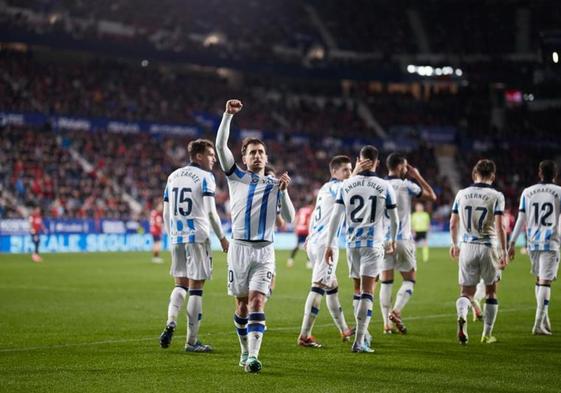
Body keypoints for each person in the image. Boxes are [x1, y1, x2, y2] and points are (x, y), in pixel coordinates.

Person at [216, 99, 295, 373]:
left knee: (257, 301)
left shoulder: (276, 185)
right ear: (244, 157)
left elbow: (292, 218)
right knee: (241, 305)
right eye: (252, 152)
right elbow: (220, 148)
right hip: (238, 249)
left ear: (266, 157)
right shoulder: (235, 176)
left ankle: (253, 356)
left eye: (261, 152)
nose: (258, 156)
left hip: (264, 252)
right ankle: (243, 350)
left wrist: (284, 192)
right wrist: (227, 116)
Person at [324, 145, 399, 353]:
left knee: (357, 291)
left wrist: (330, 243)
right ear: (377, 162)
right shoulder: (384, 186)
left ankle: (364, 335)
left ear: (359, 159)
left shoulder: (346, 185)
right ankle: (359, 341)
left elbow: (335, 218)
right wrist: (392, 239)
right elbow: (395, 219)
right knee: (368, 292)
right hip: (373, 245)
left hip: (351, 245)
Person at [159, 139, 229, 352]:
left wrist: (173, 236)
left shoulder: (173, 177)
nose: (214, 158)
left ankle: (171, 321)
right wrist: (223, 238)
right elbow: (210, 212)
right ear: (198, 156)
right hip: (198, 236)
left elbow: (165, 212)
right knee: (196, 289)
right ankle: (191, 342)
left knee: (180, 284)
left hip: (177, 237)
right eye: (210, 154)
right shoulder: (206, 177)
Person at [297, 155, 356, 348]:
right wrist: (359, 174)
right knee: (319, 286)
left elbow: (317, 213)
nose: (349, 173)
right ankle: (305, 335)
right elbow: (352, 188)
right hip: (326, 244)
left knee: (332, 286)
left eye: (350, 169)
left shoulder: (324, 188)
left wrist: (310, 235)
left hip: (315, 242)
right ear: (334, 172)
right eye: (345, 170)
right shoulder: (338, 187)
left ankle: (344, 329)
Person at [449, 159, 508, 345]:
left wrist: (454, 244)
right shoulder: (496, 195)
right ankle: (487, 334)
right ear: (493, 175)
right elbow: (500, 227)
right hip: (488, 246)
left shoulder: (461, 194)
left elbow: (452, 223)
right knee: (491, 292)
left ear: (475, 173)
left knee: (466, 292)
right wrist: (504, 251)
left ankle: (462, 317)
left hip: (467, 246)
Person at [379, 153, 437, 335]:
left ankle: (386, 325)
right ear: (399, 167)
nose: (406, 170)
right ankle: (396, 311)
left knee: (386, 283)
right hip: (402, 239)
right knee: (409, 280)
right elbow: (432, 196)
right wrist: (417, 175)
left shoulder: (379, 185)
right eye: (405, 167)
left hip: (383, 241)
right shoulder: (406, 185)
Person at [508, 160, 561, 335]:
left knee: (540, 280)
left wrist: (512, 243)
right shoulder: (559, 192)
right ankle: (538, 324)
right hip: (550, 242)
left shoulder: (528, 192)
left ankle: (543, 320)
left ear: (540, 173)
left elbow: (520, 219)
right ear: (555, 174)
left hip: (532, 243)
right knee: (545, 282)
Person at [287, 199, 313, 268]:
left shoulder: (301, 210)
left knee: (297, 245)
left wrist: (295, 228)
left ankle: (290, 259)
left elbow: (297, 219)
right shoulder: (311, 211)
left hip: (299, 229)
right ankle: (309, 262)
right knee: (309, 246)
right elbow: (309, 221)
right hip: (306, 230)